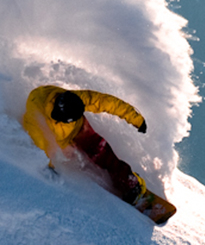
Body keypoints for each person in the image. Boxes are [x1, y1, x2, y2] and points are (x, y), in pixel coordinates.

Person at [21, 84, 150, 205]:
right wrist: (49, 167)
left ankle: (130, 183)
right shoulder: (35, 116)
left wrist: (135, 119)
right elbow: (38, 143)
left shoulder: (72, 99)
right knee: (81, 165)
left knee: (100, 151)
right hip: (60, 141)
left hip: (78, 130)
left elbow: (105, 101)